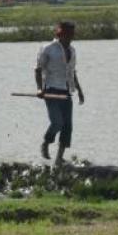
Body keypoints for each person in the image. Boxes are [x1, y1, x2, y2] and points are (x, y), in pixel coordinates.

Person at [35, 21, 85, 167]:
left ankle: (59, 159)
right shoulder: (48, 49)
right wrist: (39, 89)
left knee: (67, 126)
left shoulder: (72, 50)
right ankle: (46, 142)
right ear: (60, 34)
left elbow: (72, 72)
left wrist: (80, 90)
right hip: (51, 91)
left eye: (72, 35)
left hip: (67, 91)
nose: (71, 37)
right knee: (57, 122)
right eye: (68, 34)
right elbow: (38, 69)